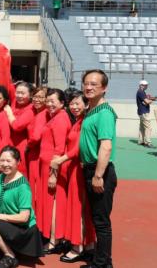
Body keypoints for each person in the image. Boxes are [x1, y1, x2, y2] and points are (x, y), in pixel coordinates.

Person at [50, 91, 95, 263]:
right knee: (81, 208)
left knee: (79, 207)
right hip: (74, 168)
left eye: (78, 103)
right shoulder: (78, 121)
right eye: (72, 103)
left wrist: (60, 159)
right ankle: (87, 244)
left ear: (85, 104)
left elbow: (78, 148)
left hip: (78, 168)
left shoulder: (85, 122)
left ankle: (78, 247)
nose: (74, 107)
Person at [79, 69, 118, 268]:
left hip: (99, 172)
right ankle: (100, 260)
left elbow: (106, 145)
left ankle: (104, 263)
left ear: (104, 88)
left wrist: (98, 175)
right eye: (86, 83)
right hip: (90, 170)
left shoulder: (104, 113)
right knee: (96, 218)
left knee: (101, 221)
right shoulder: (91, 110)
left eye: (94, 84)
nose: (88, 87)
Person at [0, 146, 43, 268]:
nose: (4, 164)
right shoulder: (2, 177)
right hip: (8, 224)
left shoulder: (23, 186)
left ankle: (10, 255)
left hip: (23, 229)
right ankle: (12, 249)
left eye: (9, 161)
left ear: (18, 162)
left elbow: (24, 218)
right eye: (2, 160)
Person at [37, 88, 70, 254]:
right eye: (47, 101)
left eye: (53, 101)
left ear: (62, 103)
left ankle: (54, 240)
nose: (49, 104)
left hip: (52, 168)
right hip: (47, 167)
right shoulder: (54, 117)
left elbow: (59, 148)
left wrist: (53, 174)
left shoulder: (60, 119)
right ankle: (52, 237)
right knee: (49, 203)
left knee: (54, 204)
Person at [3, 82, 35, 176]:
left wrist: (9, 113)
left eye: (23, 93)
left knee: (18, 173)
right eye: (18, 92)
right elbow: (8, 84)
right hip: (8, 144)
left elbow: (17, 126)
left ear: (30, 95)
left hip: (20, 147)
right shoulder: (15, 102)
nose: (19, 96)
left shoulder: (31, 110)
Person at [136, 80, 155, 147]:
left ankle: (141, 141)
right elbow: (146, 101)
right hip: (144, 112)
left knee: (142, 127)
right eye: (145, 85)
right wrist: (151, 100)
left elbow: (145, 101)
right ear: (141, 85)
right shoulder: (141, 92)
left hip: (141, 111)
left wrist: (149, 100)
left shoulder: (141, 92)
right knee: (148, 127)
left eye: (146, 85)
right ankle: (148, 142)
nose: (146, 86)